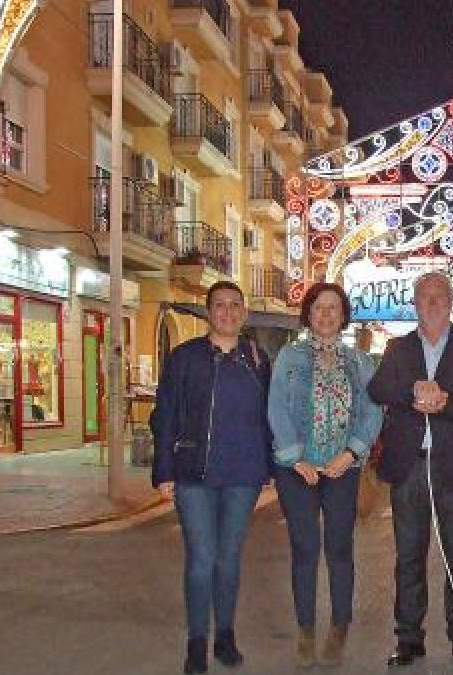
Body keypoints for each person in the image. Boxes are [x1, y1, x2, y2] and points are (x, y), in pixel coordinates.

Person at [368, 272, 453, 668]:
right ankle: (409, 639)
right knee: (408, 558)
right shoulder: (397, 348)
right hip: (409, 469)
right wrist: (410, 394)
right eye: (425, 296)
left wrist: (446, 402)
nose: (432, 302)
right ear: (415, 303)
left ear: (452, 301)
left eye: (439, 295)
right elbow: (377, 391)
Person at [150, 281, 272, 674]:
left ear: (244, 314)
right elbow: (164, 415)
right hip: (194, 474)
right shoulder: (185, 358)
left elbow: (270, 417)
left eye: (236, 305)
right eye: (220, 305)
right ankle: (196, 640)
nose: (228, 311)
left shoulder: (256, 357)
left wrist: (269, 466)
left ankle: (226, 636)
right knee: (201, 559)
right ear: (208, 312)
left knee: (229, 559)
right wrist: (163, 470)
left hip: (243, 473)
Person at [267, 283, 383, 668]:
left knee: (339, 549)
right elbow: (277, 408)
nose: (326, 315)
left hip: (342, 470)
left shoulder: (360, 362)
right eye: (319, 307)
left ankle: (339, 626)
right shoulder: (290, 356)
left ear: (343, 315)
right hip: (297, 470)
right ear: (309, 313)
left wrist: (350, 453)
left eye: (334, 308)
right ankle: (305, 630)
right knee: (304, 550)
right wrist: (294, 458)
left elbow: (372, 413)